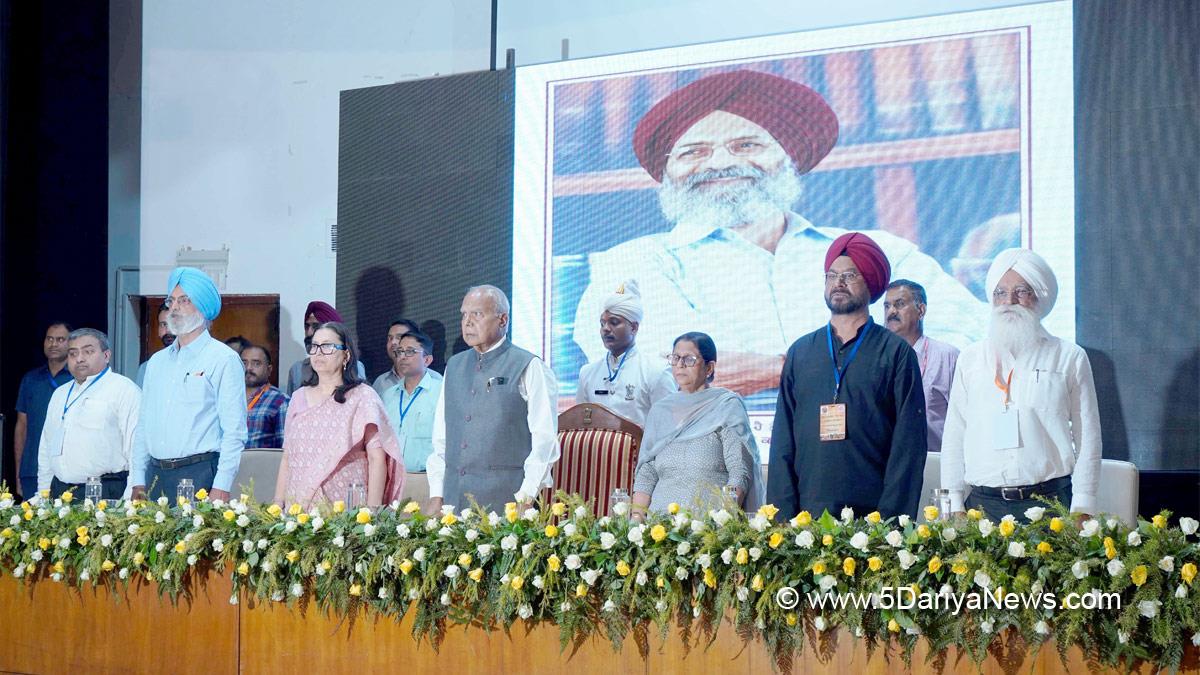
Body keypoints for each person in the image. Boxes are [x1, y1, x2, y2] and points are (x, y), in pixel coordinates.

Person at [575, 69, 987, 398]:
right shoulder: (636, 262)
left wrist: (777, 368)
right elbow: (653, 373)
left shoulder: (879, 250)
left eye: (746, 145)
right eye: (693, 151)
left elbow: (964, 346)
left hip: (866, 456)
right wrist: (853, 364)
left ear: (787, 159)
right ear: (667, 172)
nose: (719, 162)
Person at [767, 233, 927, 519]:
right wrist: (782, 518)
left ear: (872, 282)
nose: (838, 283)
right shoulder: (802, 352)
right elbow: (782, 441)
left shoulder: (895, 352)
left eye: (850, 275)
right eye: (832, 275)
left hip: (873, 521)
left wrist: (891, 524)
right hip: (806, 519)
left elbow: (909, 446)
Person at [941, 249, 1101, 521]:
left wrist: (1083, 505)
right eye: (1000, 293)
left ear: (1038, 297)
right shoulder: (970, 358)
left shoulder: (1069, 356)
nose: (1009, 301)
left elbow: (1088, 436)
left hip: (1051, 504)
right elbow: (955, 433)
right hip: (981, 507)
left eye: (1021, 291)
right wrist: (953, 501)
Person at [425, 285, 560, 513]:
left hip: (506, 503)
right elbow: (442, 438)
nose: (467, 322)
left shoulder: (529, 366)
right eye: (464, 314)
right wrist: (436, 495)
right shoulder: (454, 366)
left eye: (477, 314)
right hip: (453, 501)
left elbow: (544, 440)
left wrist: (525, 498)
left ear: (502, 319)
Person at [130, 267, 247, 502]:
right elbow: (143, 425)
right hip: (155, 477)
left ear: (203, 307)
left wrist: (222, 485)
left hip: (200, 474)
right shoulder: (156, 362)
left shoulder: (223, 359)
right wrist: (137, 480)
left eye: (184, 300)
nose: (174, 308)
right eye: (171, 301)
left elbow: (234, 431)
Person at [631, 332, 763, 515]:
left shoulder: (726, 405)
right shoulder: (660, 411)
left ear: (709, 368)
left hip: (708, 527)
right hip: (658, 528)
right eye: (675, 358)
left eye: (689, 359)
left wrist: (723, 521)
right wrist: (636, 522)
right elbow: (647, 471)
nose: (680, 365)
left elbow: (739, 472)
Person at [274, 322, 404, 508]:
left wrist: (372, 511)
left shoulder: (363, 397)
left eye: (327, 346)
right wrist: (278, 504)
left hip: (346, 509)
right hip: (299, 508)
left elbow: (377, 457)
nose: (318, 352)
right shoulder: (298, 397)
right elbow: (288, 456)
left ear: (346, 354)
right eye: (314, 346)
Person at [36, 329, 140, 500]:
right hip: (60, 492)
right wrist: (43, 494)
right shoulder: (60, 394)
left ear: (107, 355)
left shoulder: (124, 390)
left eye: (88, 351)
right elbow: (46, 448)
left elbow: (136, 449)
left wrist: (130, 499)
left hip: (106, 491)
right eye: (73, 353)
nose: (79, 358)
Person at [575, 279, 675, 425]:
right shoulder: (587, 373)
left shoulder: (656, 371)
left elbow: (668, 428)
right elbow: (580, 425)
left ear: (634, 327)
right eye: (602, 323)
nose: (606, 329)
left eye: (614, 322)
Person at [884, 279, 959, 452]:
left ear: (921, 310)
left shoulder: (947, 356)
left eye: (899, 304)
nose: (891, 312)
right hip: (886, 466)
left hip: (934, 464)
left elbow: (965, 419)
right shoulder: (876, 359)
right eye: (887, 306)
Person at [12, 321, 74, 499]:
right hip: (32, 468)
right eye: (50, 339)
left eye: (60, 339)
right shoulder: (31, 379)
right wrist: (18, 473)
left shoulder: (77, 380)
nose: (54, 344)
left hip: (67, 470)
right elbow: (21, 426)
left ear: (71, 343)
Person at [381, 330, 442, 472]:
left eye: (410, 352)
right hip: (391, 477)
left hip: (426, 478)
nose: (402, 357)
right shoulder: (387, 396)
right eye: (400, 351)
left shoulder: (440, 393)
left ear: (427, 360)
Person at [286, 300, 366, 394]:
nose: (309, 332)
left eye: (315, 326)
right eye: (307, 326)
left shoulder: (356, 367)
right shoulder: (297, 370)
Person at [243, 344, 288, 449]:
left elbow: (285, 448)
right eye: (244, 363)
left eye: (256, 363)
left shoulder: (280, 401)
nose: (249, 368)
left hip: (261, 464)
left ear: (269, 369)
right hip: (228, 463)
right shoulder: (229, 398)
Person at [372, 318, 420, 396]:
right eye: (390, 338)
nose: (393, 342)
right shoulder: (380, 383)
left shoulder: (434, 379)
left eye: (399, 337)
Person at [136, 305, 175, 387]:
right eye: (163, 324)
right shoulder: (147, 367)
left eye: (173, 323)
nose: (168, 330)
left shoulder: (196, 361)